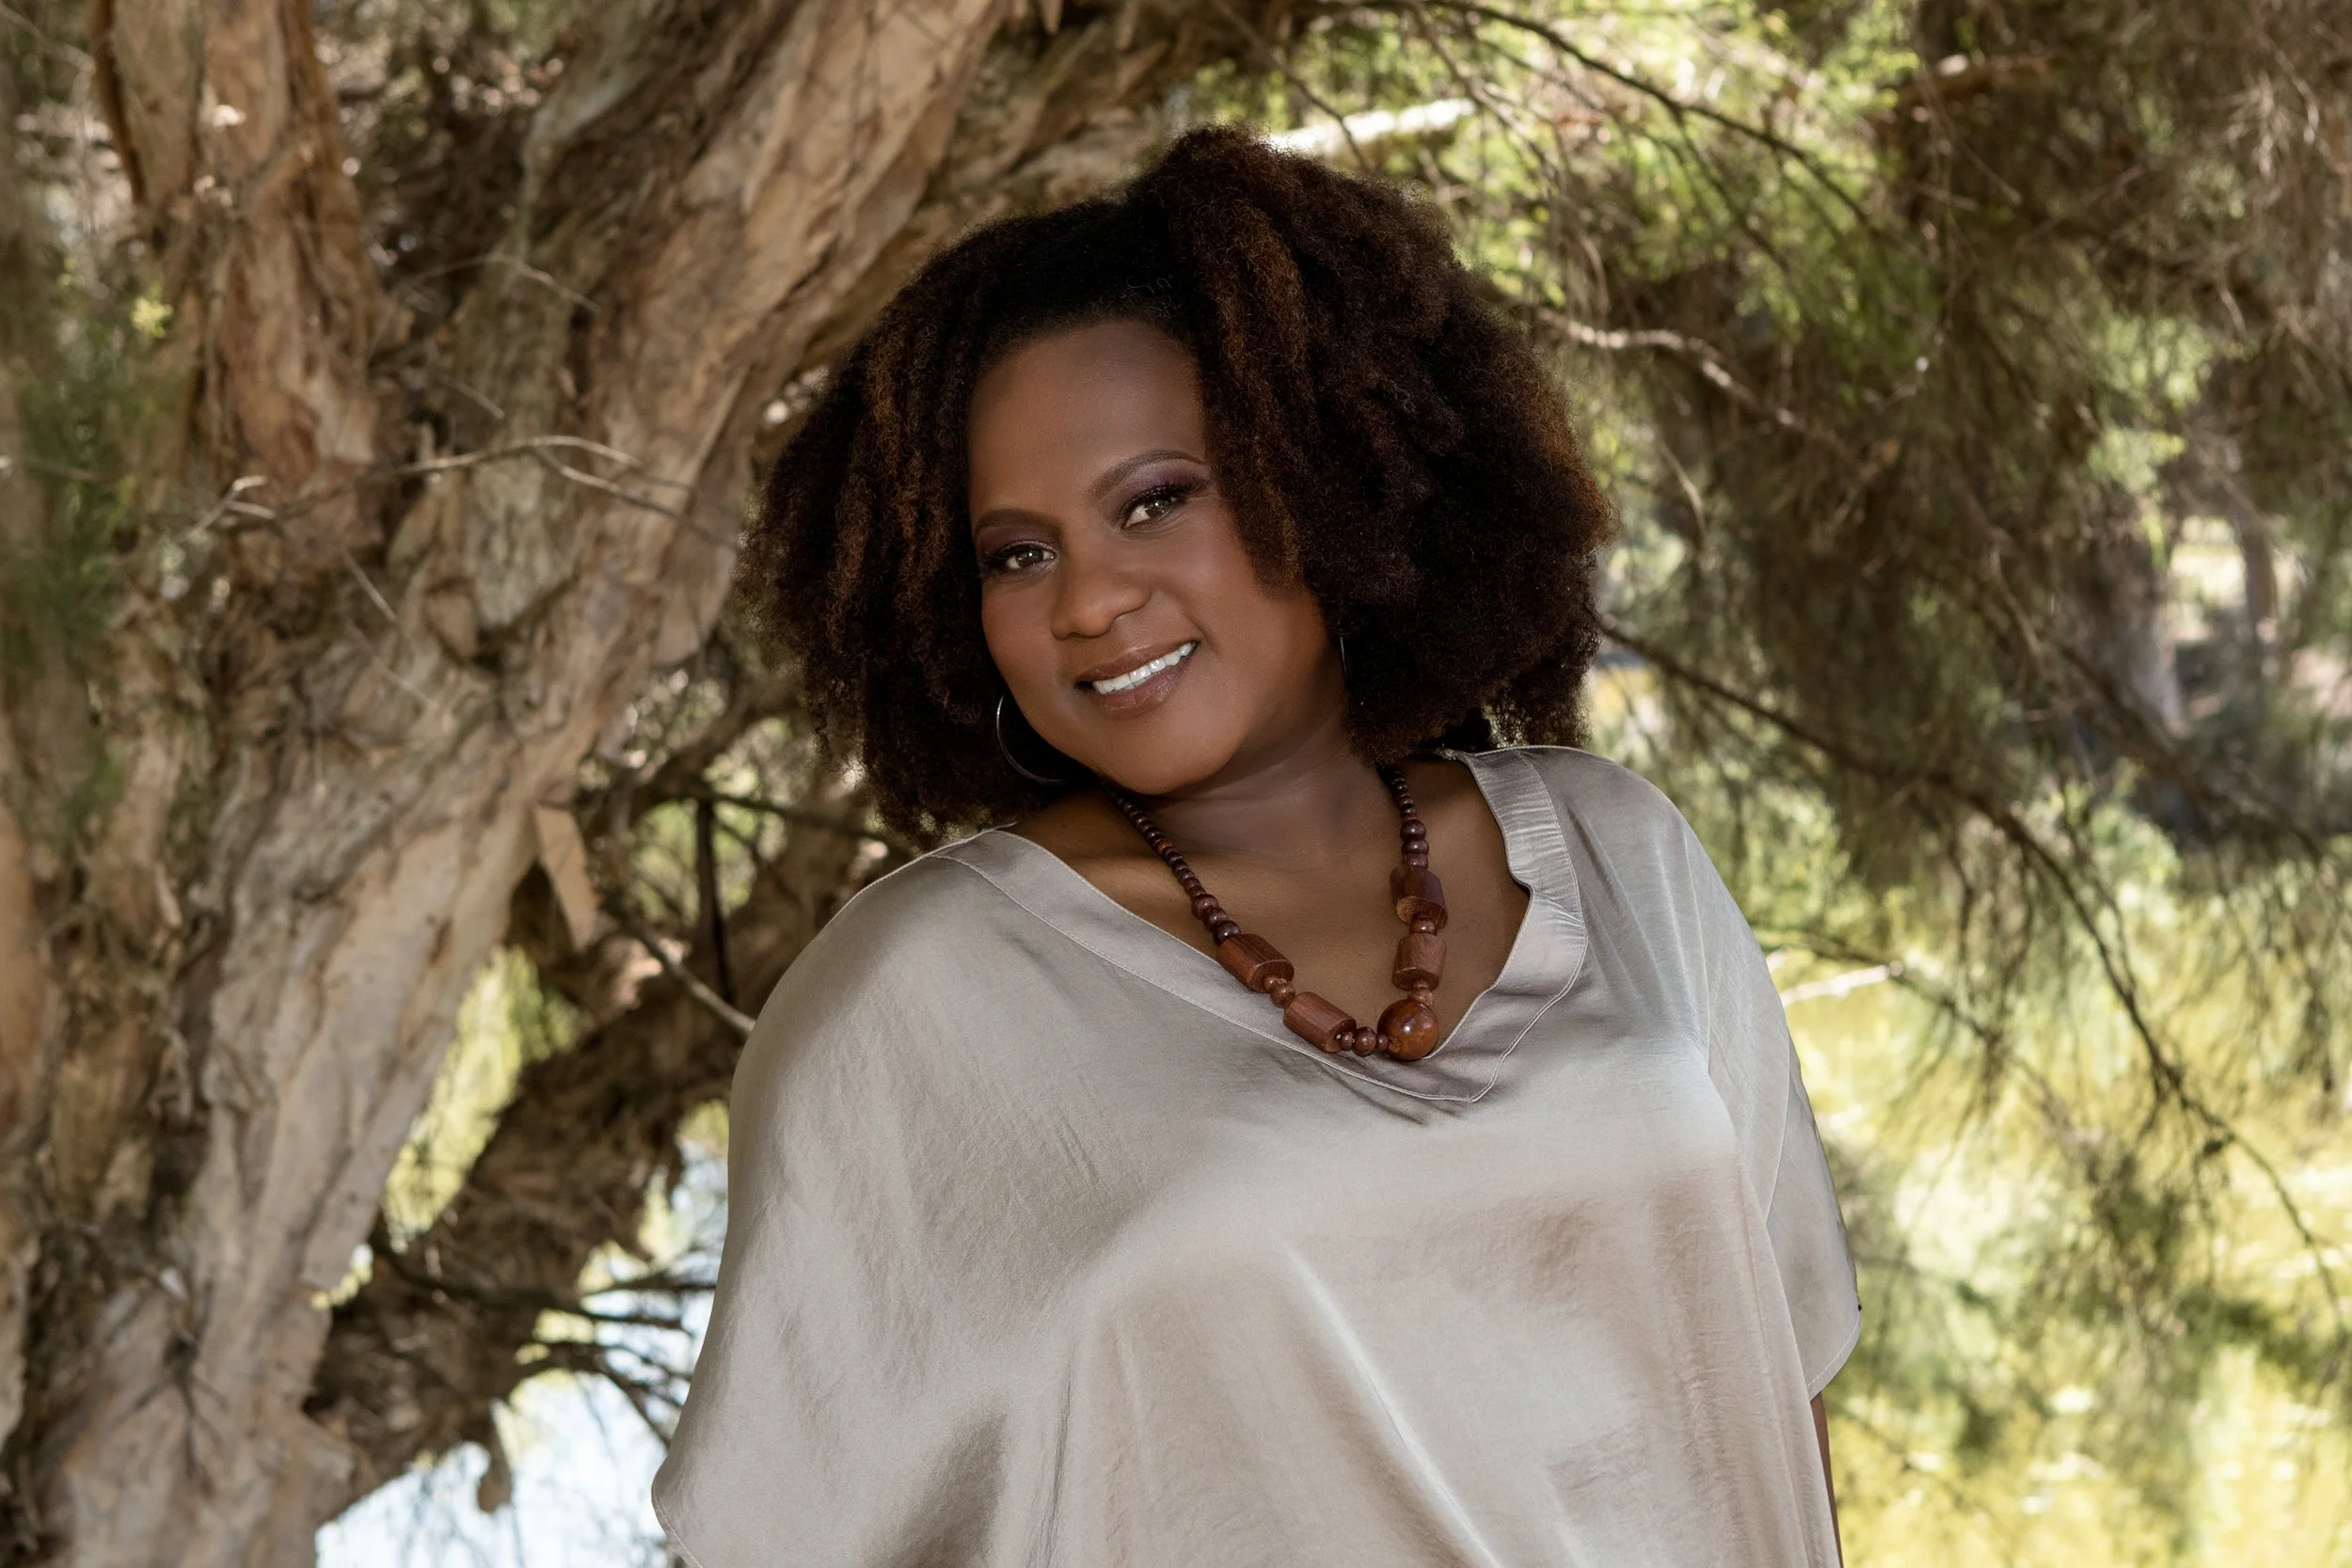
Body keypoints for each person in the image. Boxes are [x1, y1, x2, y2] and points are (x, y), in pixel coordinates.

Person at [652, 125, 1860, 1568]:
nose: (1090, 597)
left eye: (1157, 499)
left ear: (1328, 474)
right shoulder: (917, 999)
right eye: (1016, 553)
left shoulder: (1618, 852)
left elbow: (1784, 1392)